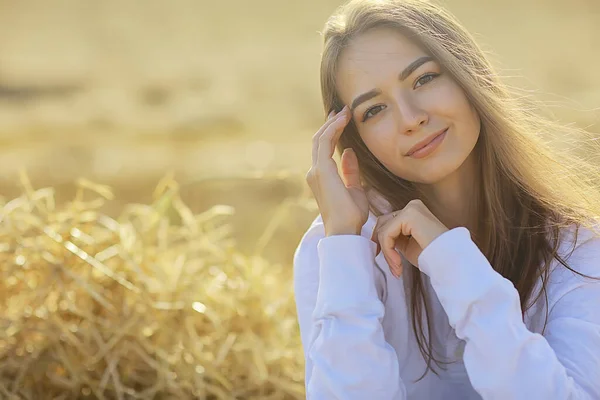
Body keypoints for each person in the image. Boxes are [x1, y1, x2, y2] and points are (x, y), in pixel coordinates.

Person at [293, 0, 600, 398]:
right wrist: (343, 244)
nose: (410, 118)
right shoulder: (337, 248)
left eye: (423, 79)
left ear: (469, 75)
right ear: (355, 140)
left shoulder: (575, 246)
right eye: (375, 109)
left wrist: (452, 262)